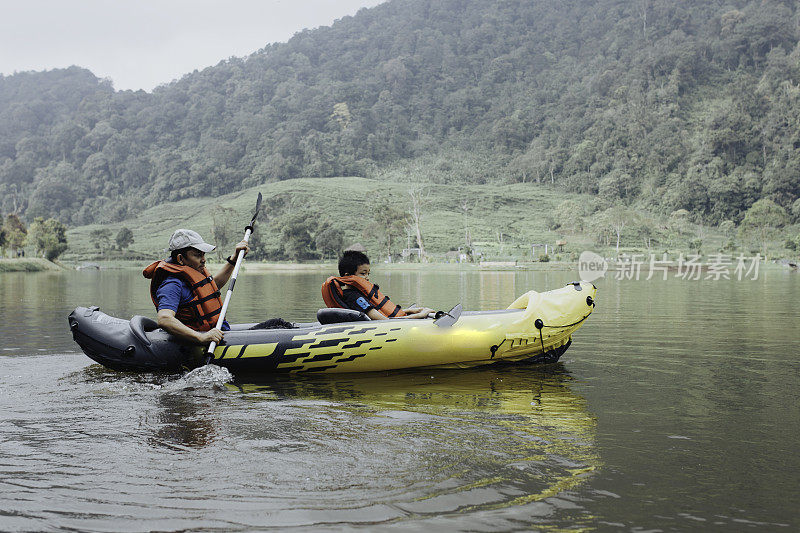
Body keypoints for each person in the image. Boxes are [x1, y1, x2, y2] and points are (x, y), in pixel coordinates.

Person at [142, 229, 249, 345]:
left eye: (203, 254)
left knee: (271, 324)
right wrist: (201, 337)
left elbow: (213, 286)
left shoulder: (195, 272)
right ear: (180, 259)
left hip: (216, 331)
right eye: (197, 255)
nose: (203, 260)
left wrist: (234, 258)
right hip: (194, 343)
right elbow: (164, 319)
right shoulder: (172, 285)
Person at [321, 250, 433, 320]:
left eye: (368, 273)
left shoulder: (355, 294)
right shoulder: (354, 297)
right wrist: (421, 315)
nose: (367, 277)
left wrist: (408, 311)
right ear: (348, 276)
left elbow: (379, 312)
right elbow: (385, 321)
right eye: (363, 273)